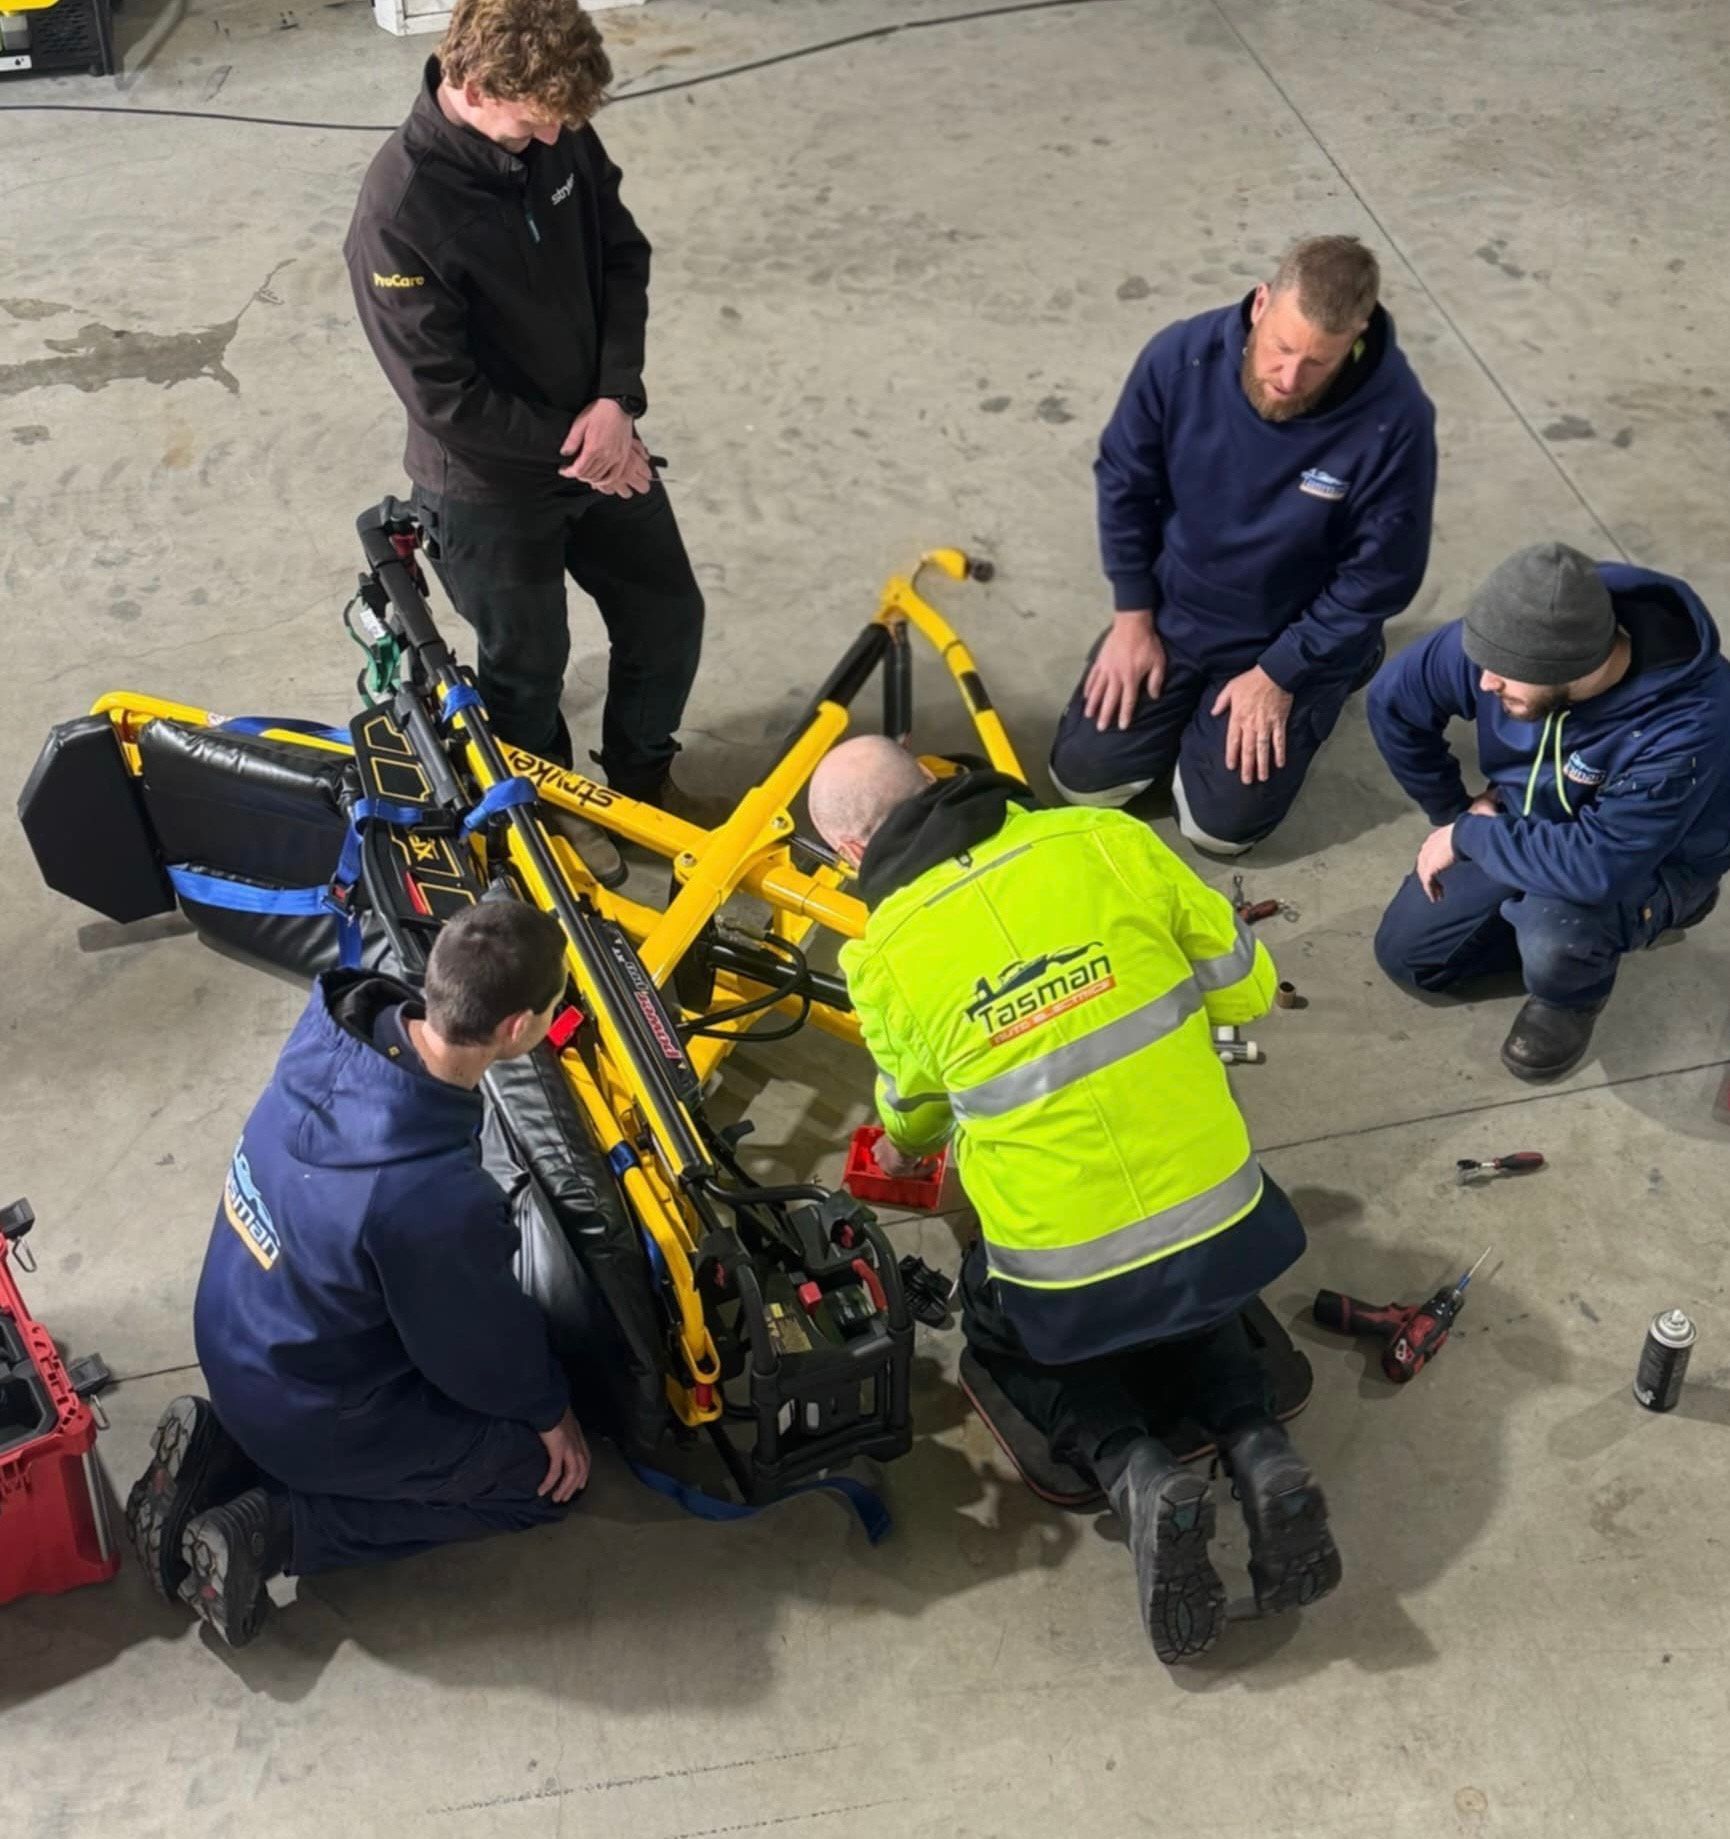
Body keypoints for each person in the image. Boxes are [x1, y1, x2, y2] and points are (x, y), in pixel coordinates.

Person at [808, 737, 1341, 1665]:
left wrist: (906, 1133)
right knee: (1191, 1287)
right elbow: (1249, 986)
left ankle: (1134, 1469)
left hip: (1072, 1283)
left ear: (851, 856)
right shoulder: (1104, 839)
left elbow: (918, 1123)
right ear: (936, 777)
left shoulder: (884, 955)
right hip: (1229, 1225)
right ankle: (1254, 1438)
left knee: (1007, 1312)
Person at [125, 902, 590, 1647]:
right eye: (553, 1008)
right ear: (516, 1029)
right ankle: (277, 1528)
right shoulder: (427, 1196)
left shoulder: (332, 1036)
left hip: (236, 1337)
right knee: (536, 1479)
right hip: (308, 1408)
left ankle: (222, 1454)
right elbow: (476, 1352)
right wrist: (549, 1412)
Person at [344, 0, 713, 888]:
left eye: (564, 120)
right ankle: (551, 808)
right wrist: (586, 442)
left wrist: (617, 398)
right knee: (525, 669)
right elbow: (446, 398)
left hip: (601, 434)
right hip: (484, 486)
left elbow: (623, 255)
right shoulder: (400, 215)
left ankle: (640, 780)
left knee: (668, 618)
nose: (552, 135)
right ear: (469, 88)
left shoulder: (556, 136)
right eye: (534, 120)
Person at [1048, 235, 1437, 855]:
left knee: (1220, 831)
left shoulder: (1395, 422)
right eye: (1282, 349)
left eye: (1317, 362)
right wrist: (1131, 618)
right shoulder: (1181, 359)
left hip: (1286, 636)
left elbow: (1380, 579)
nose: (1288, 379)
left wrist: (1283, 672)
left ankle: (1339, 673)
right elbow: (1125, 484)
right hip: (1179, 612)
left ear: (1358, 334)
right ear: (1260, 304)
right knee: (1084, 784)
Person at [1369, 542, 1730, 1080]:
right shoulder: (1511, 638)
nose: (1486, 683)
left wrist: (1472, 838)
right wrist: (1452, 811)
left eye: (1505, 675)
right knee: (1412, 959)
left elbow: (1597, 869)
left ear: (1577, 668)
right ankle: (1551, 919)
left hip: (1650, 860)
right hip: (1532, 821)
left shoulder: (1688, 725)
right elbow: (1393, 703)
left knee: (1554, 927)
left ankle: (1574, 993)